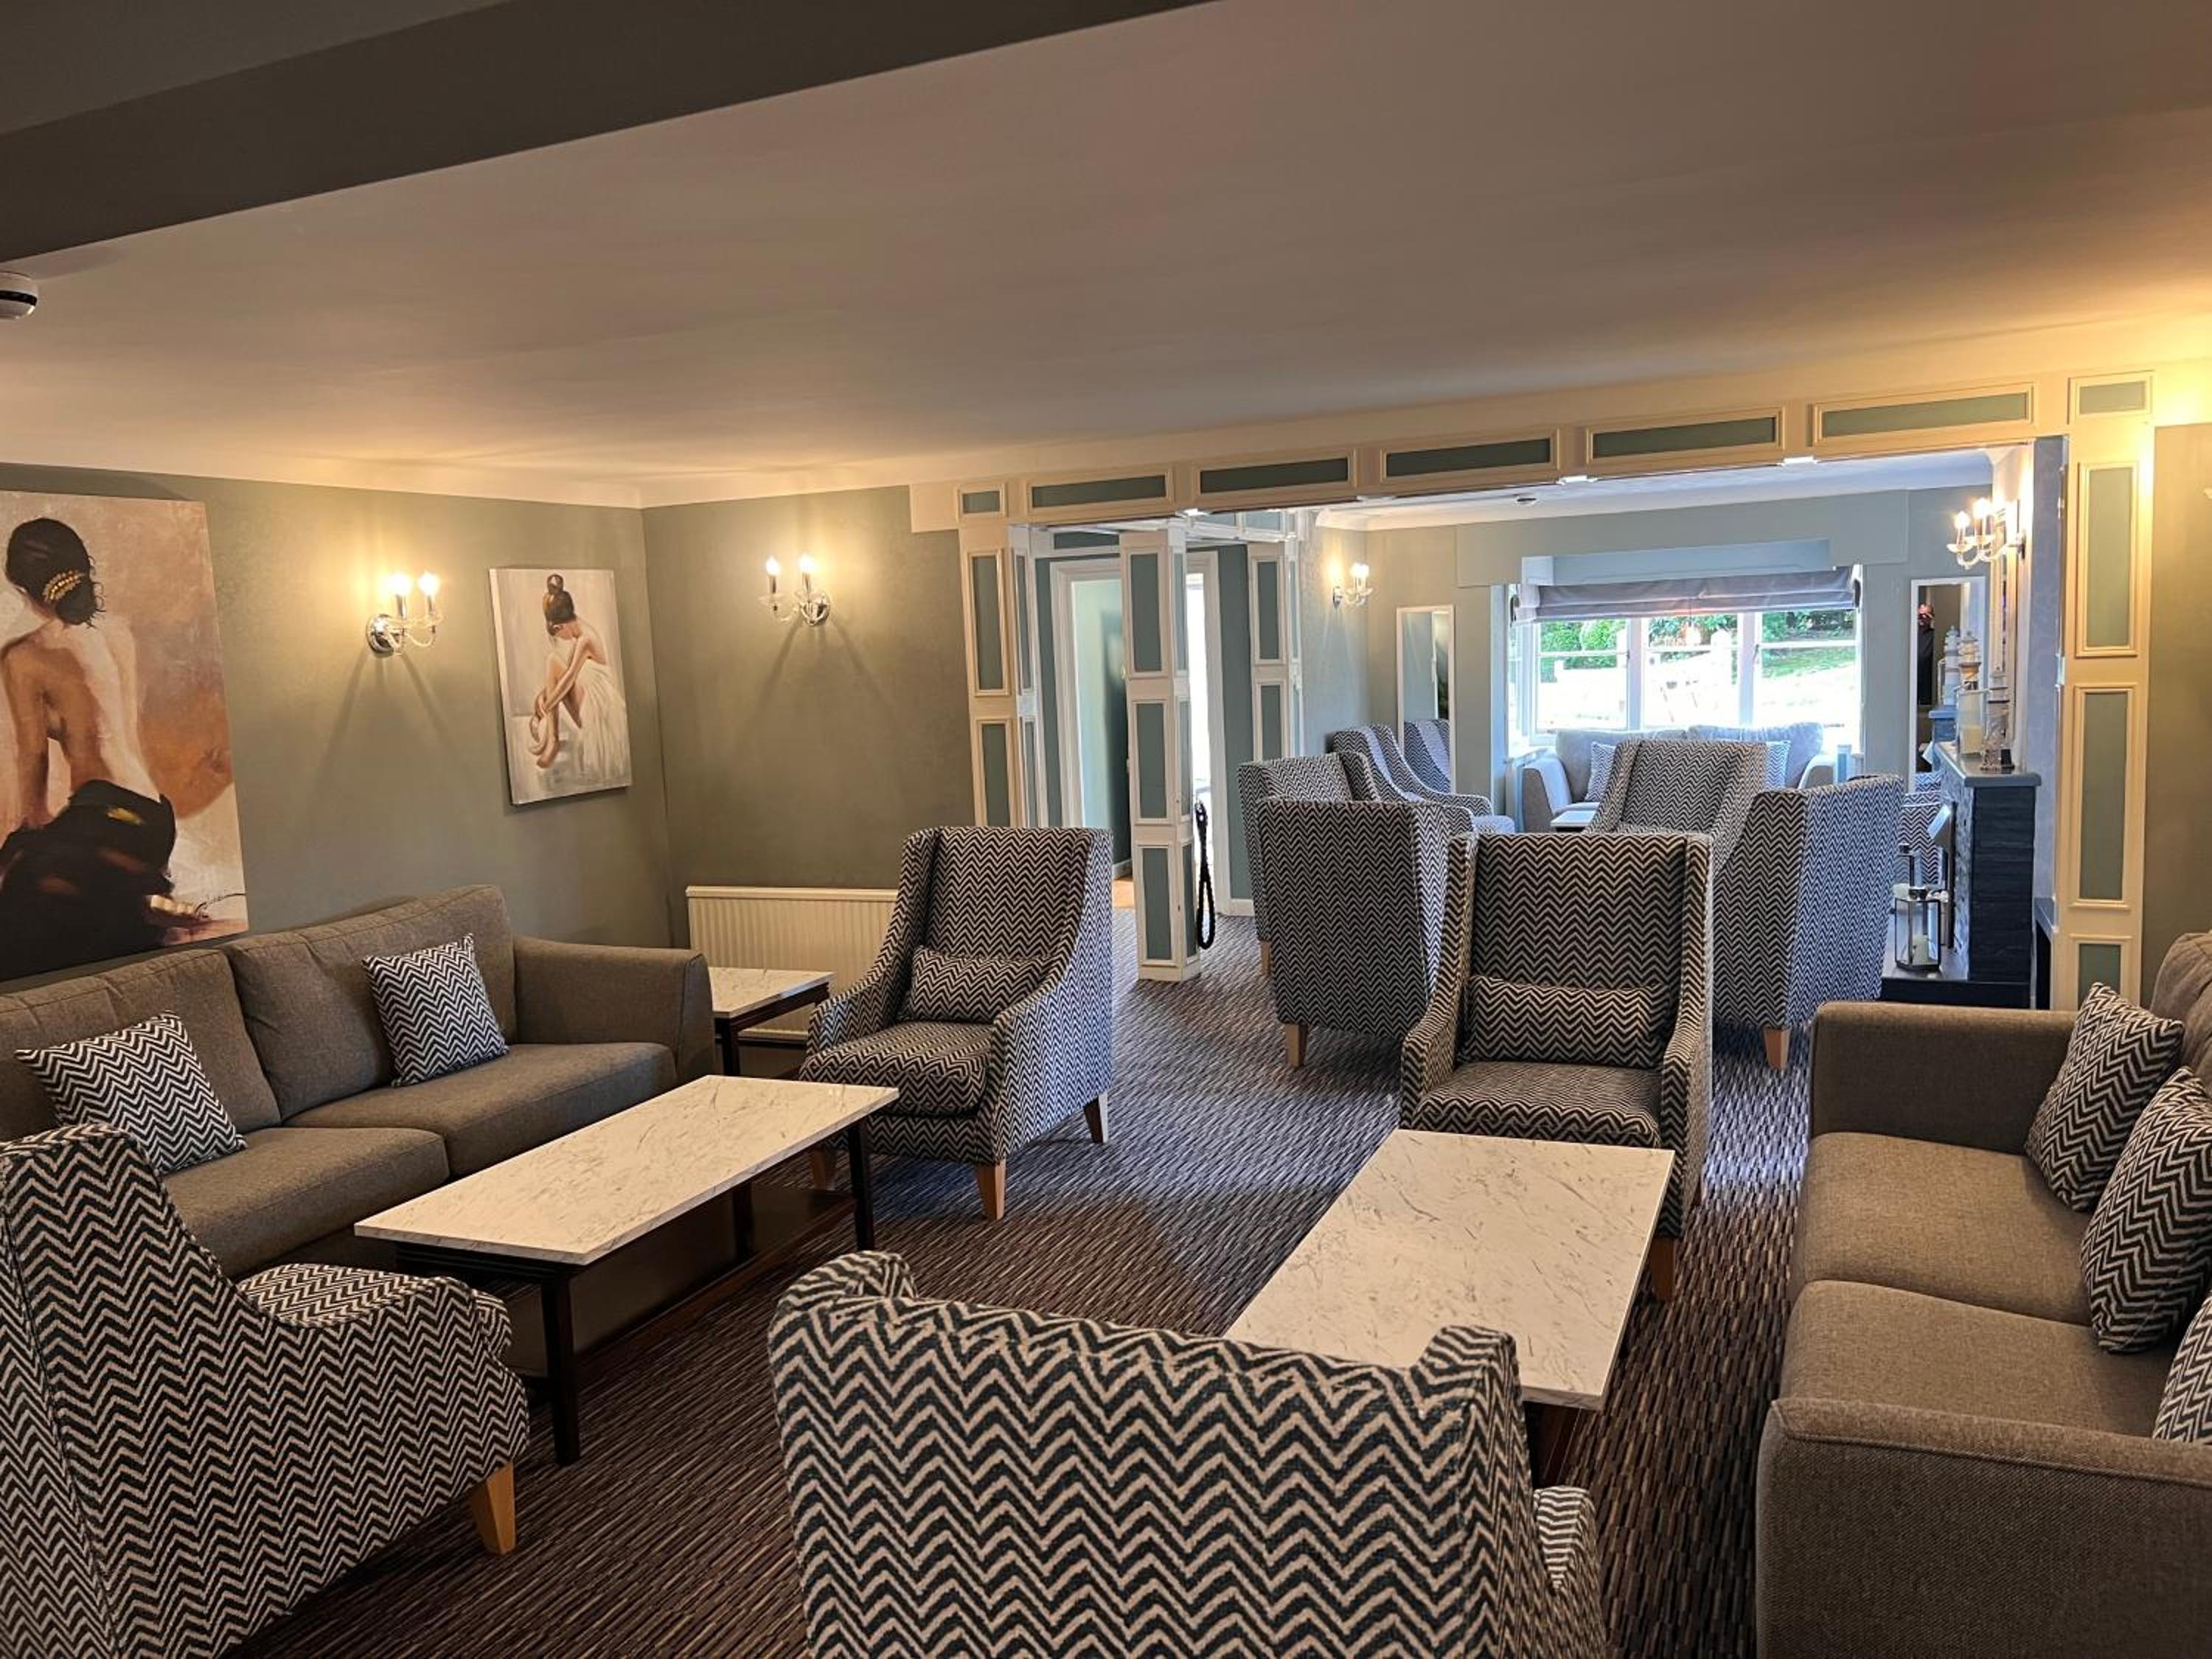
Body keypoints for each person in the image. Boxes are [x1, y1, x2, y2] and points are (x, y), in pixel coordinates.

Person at [0, 516, 178, 975]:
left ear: (23, 589)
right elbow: (114, 729)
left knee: (20, 905)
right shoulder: (117, 634)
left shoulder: (23, 657)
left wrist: (28, 832)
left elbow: (33, 756)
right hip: (155, 818)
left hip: (109, 816)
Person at [528, 574, 630, 782]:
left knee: (552, 662)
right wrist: (543, 697)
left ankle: (552, 740)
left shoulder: (585, 639)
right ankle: (552, 741)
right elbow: (565, 679)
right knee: (553, 665)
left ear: (561, 627)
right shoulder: (579, 634)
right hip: (592, 701)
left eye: (558, 636)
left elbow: (568, 678)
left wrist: (544, 708)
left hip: (601, 713)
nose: (561, 640)